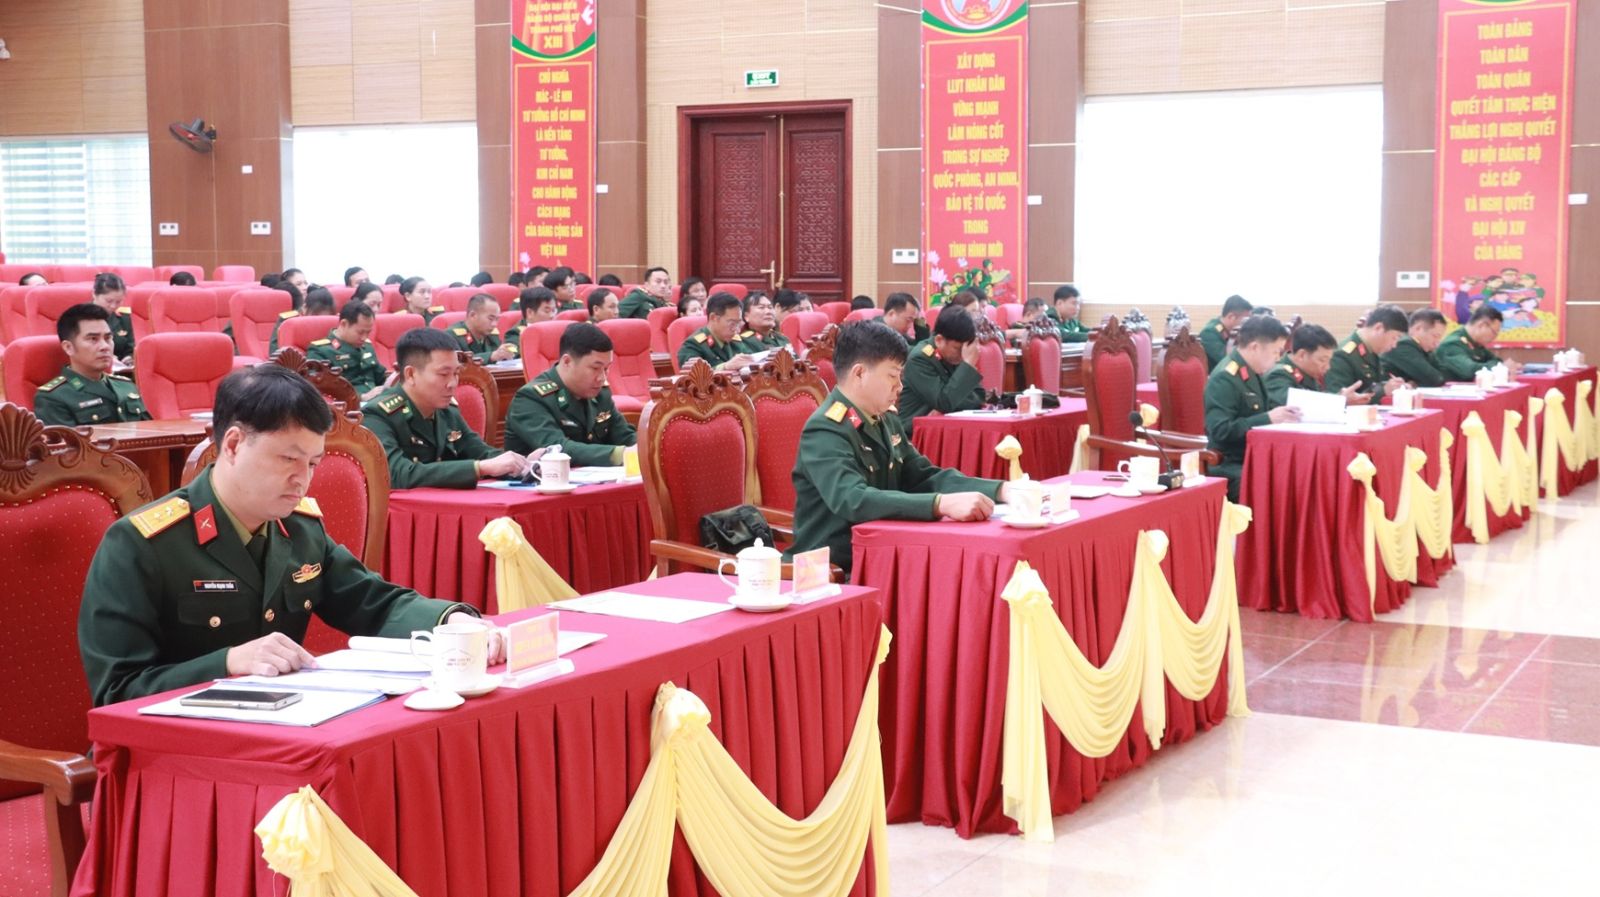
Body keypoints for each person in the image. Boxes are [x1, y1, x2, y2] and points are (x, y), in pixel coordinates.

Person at [78, 364, 500, 706]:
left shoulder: (299, 528)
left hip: (281, 737)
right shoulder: (142, 543)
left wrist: (451, 622)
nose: (303, 480)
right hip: (177, 755)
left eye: (313, 463)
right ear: (233, 445)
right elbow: (116, 690)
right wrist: (227, 662)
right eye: (288, 459)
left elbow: (373, 603)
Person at [789, 322, 1014, 574]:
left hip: (886, 554)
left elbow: (923, 476)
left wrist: (1001, 490)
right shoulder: (826, 428)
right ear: (859, 373)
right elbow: (854, 499)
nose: (900, 386)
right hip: (834, 569)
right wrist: (939, 504)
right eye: (892, 376)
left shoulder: (885, 417)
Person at [362, 328, 535, 488]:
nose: (452, 383)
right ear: (411, 374)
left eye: (456, 373)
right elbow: (396, 474)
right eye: (444, 374)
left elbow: (480, 452)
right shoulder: (377, 415)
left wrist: (525, 463)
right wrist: (479, 468)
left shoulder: (446, 410)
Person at [505, 323, 638, 462]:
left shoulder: (601, 393)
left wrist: (643, 448)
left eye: (606, 368)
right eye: (595, 368)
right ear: (567, 361)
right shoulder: (530, 399)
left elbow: (625, 436)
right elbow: (558, 449)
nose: (602, 378)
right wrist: (621, 454)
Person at [1204, 315, 1300, 501]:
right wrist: (1268, 418)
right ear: (1255, 347)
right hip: (1230, 462)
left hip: (1254, 455)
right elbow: (1220, 430)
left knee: (1299, 471)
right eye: (1275, 351)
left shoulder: (1252, 372)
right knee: (1278, 482)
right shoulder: (1225, 377)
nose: (1278, 358)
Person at [33, 304, 151, 426]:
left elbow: (152, 432)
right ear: (68, 347)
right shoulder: (54, 397)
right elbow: (66, 439)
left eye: (108, 338)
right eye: (93, 339)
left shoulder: (126, 386)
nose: (105, 346)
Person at [896, 304, 985, 434]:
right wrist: (968, 364)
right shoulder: (920, 359)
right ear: (939, 340)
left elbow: (979, 397)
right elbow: (945, 402)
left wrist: (949, 404)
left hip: (947, 429)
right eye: (957, 349)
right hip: (916, 433)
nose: (962, 355)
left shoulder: (956, 356)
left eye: (965, 350)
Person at [1263, 323, 1368, 407]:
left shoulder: (1307, 373)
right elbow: (1296, 405)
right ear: (1302, 355)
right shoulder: (1278, 375)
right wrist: (1340, 400)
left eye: (1329, 361)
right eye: (1322, 360)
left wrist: (1340, 396)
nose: (1327, 367)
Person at [305, 300, 388, 399]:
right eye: (360, 332)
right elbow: (321, 392)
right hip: (350, 405)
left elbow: (381, 377)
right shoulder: (320, 351)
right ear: (344, 324)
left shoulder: (367, 346)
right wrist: (362, 397)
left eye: (368, 332)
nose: (364, 337)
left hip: (377, 400)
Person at [1324, 304, 1407, 399]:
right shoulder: (1343, 355)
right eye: (1394, 338)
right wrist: (1383, 390)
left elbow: (1373, 384)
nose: (1394, 345)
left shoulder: (1372, 349)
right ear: (1378, 328)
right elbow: (1337, 399)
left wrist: (1394, 386)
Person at [677, 292, 758, 371]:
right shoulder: (692, 345)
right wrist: (725, 367)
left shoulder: (735, 341)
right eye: (732, 324)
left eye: (739, 323)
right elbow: (695, 376)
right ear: (713, 318)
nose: (737, 330)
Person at [1436, 305, 1520, 381]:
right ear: (1482, 325)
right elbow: (1470, 370)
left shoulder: (1477, 343)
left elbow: (1496, 360)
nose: (1494, 337)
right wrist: (1500, 367)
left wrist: (1500, 366)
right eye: (1494, 332)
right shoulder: (1452, 344)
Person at [1382, 308, 1450, 388]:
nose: (1437, 343)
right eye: (1435, 336)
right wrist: (1416, 383)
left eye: (1440, 338)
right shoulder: (1402, 345)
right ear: (1418, 328)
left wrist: (1414, 383)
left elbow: (1445, 374)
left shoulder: (1423, 348)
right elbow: (1434, 379)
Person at [449, 293, 516, 363]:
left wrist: (504, 354)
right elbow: (458, 363)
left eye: (497, 319)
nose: (494, 324)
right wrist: (490, 356)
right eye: (490, 319)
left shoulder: (492, 335)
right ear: (473, 315)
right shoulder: (452, 336)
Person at [270, 285, 331, 354]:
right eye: (315, 316)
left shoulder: (335, 322)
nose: (320, 322)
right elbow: (273, 351)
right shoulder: (288, 320)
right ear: (304, 308)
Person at [1198, 295, 1252, 372]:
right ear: (1231, 317)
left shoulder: (1232, 331)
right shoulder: (1209, 333)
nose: (1247, 324)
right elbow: (1227, 359)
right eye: (1244, 320)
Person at [91, 272, 136, 360]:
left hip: (120, 366)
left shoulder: (123, 317)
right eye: (109, 301)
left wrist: (128, 358)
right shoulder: (80, 317)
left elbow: (130, 348)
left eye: (118, 302)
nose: (113, 306)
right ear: (94, 294)